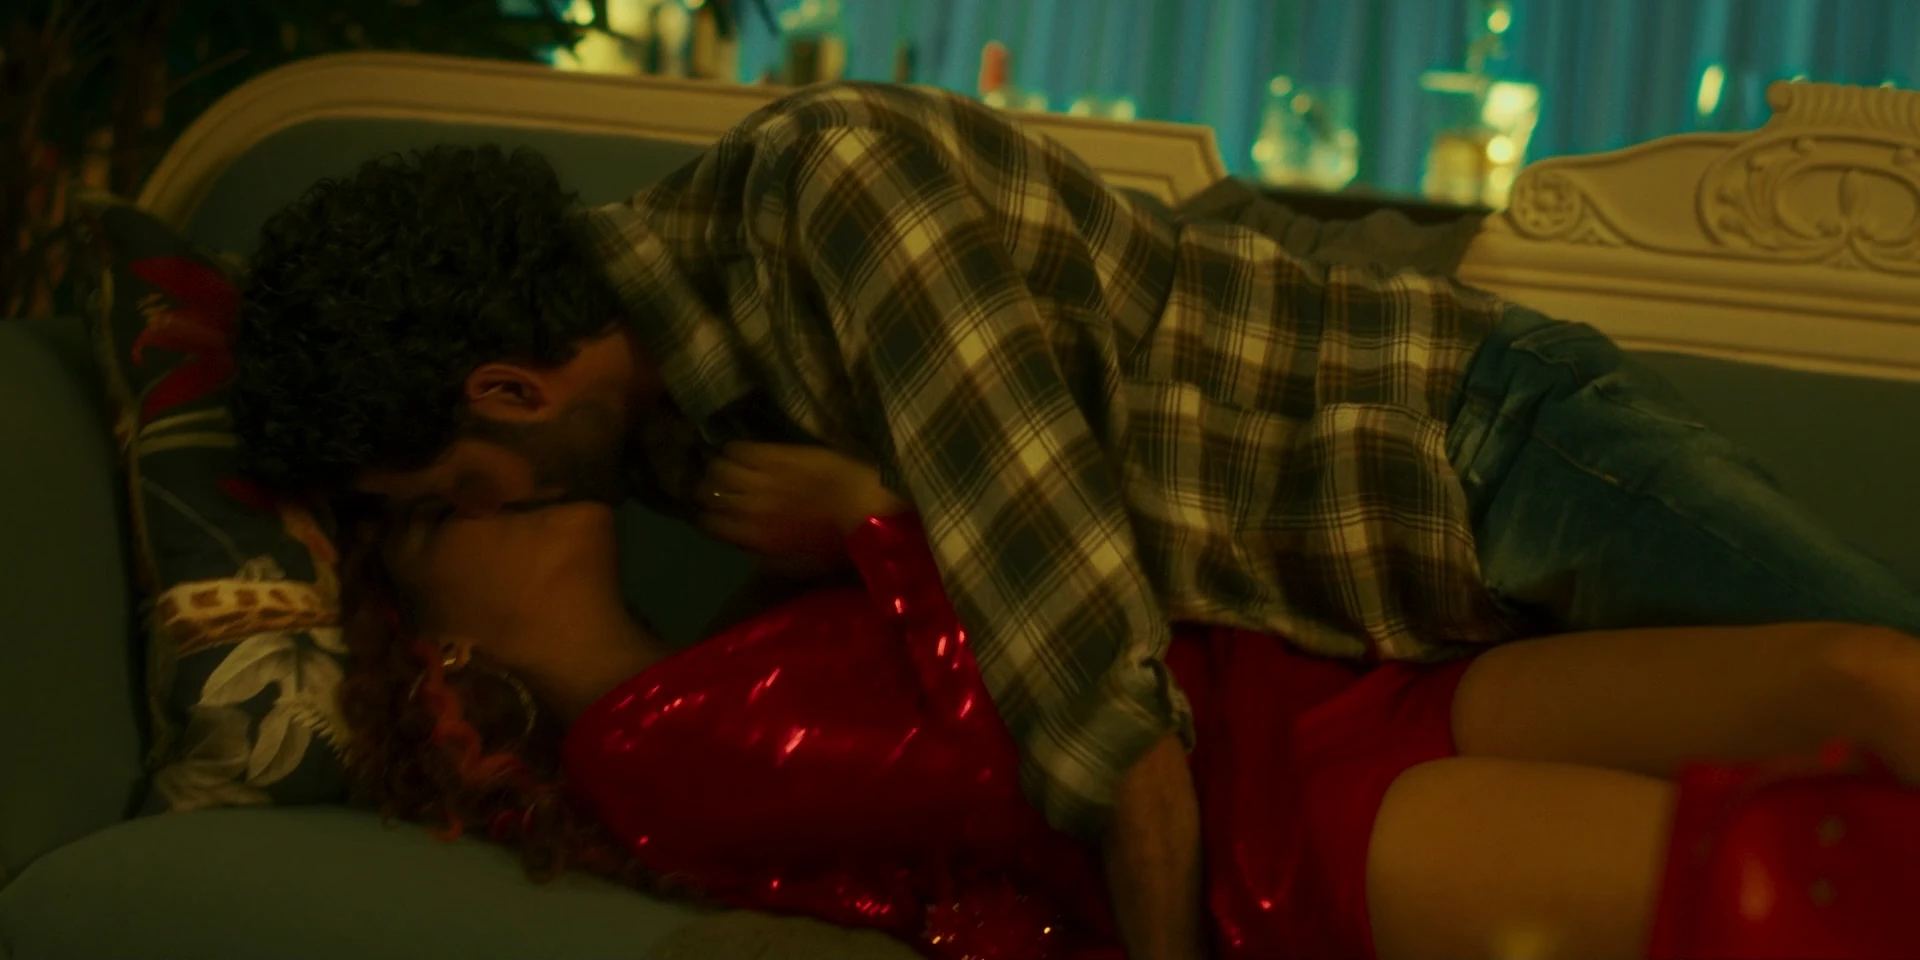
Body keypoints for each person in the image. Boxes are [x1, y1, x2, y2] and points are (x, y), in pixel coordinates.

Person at [233, 81, 1920, 959]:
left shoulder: (835, 193)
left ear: (510, 390)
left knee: (1879, 679)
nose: (494, 518)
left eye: (445, 493)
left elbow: (1086, 692)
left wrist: (879, 522)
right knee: (1791, 870)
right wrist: (878, 521)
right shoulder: (669, 440)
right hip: (1335, 667)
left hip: (1466, 457)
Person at [340, 441, 1920, 960]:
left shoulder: (721, 640)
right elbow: (990, 760)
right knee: (1790, 884)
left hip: (1308, 688)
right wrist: (877, 522)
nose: (487, 481)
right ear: (435, 650)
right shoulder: (642, 752)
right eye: (427, 517)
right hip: (1271, 834)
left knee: (1845, 675)